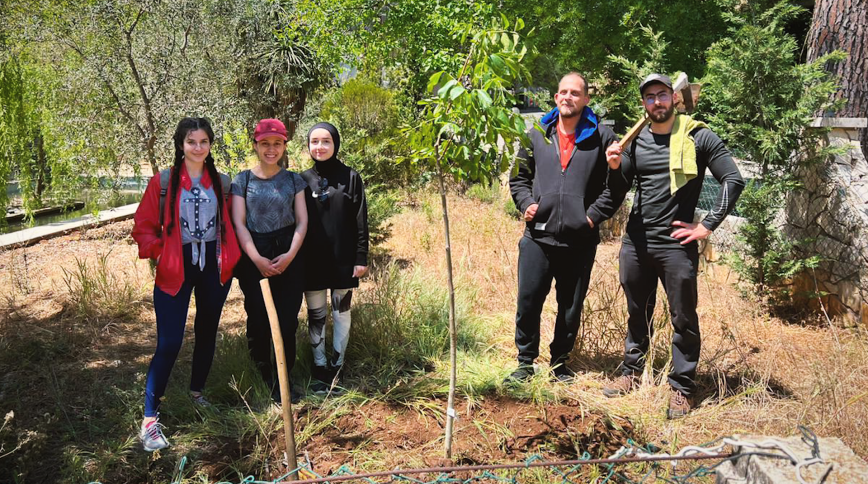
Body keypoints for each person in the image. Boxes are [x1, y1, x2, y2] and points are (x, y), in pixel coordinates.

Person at [602, 73, 745, 418]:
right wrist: (615, 165)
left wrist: (707, 224)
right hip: (635, 241)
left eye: (662, 95)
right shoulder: (637, 139)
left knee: (683, 316)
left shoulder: (698, 136)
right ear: (643, 104)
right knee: (638, 310)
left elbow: (733, 179)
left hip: (676, 245)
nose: (656, 102)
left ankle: (682, 387)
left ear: (675, 98)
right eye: (649, 97)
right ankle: (632, 372)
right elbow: (621, 187)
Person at [506, 72, 625, 383]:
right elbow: (518, 178)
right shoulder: (536, 135)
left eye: (575, 93)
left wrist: (590, 217)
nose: (568, 97)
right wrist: (525, 203)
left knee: (570, 307)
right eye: (563, 92)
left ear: (585, 99)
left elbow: (617, 186)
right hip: (537, 236)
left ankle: (560, 364)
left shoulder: (601, 137)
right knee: (529, 300)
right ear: (556, 98)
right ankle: (524, 363)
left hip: (579, 240)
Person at [132, 117, 241, 452]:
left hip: (214, 266)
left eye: (204, 141)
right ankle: (150, 419)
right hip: (175, 266)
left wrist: (234, 258)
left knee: (208, 331)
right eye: (191, 142)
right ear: (181, 144)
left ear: (210, 145)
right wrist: (160, 251)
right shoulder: (163, 181)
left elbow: (235, 224)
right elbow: (143, 225)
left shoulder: (222, 182)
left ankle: (197, 394)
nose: (198, 148)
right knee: (169, 342)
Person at [230, 118, 308, 404]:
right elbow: (239, 224)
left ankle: (285, 381)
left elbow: (302, 222)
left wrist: (289, 256)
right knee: (259, 320)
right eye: (265, 144)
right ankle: (262, 377)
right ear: (256, 145)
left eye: (277, 144)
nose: (271, 149)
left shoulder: (293, 180)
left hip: (289, 255)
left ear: (285, 146)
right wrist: (257, 259)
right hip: (255, 256)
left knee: (287, 321)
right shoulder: (242, 181)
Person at [299, 122, 368, 394]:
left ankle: (337, 369)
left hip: (344, 260)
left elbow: (361, 221)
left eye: (325, 141)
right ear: (308, 145)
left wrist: (360, 257)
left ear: (335, 144)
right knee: (316, 316)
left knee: (341, 314)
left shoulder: (351, 178)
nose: (320, 146)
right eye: (314, 141)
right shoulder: (300, 180)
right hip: (311, 261)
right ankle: (319, 370)